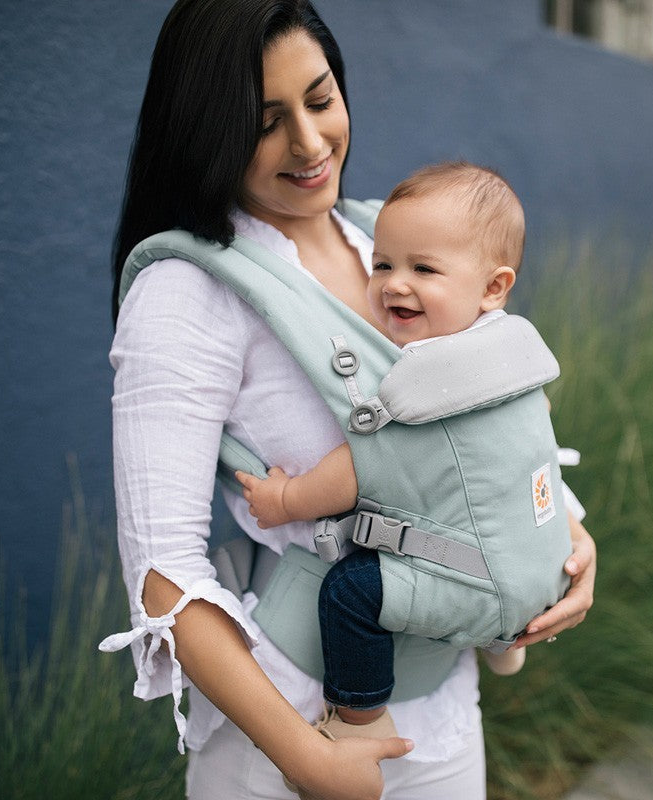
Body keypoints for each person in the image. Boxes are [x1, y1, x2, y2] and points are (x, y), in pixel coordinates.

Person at [99, 2, 596, 799]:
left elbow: (488, 426)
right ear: (208, 132)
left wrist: (566, 541)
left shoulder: (387, 243)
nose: (309, 142)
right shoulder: (187, 292)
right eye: (266, 122)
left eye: (321, 99)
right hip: (295, 721)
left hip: (444, 702)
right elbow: (163, 572)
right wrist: (304, 757)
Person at [236, 161, 573, 741]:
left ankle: (361, 720)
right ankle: (504, 643)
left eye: (423, 269)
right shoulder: (513, 349)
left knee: (350, 593)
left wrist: (287, 498)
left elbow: (366, 464)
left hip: (483, 584)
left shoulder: (426, 375)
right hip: (542, 563)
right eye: (383, 264)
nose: (394, 284)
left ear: (493, 287)